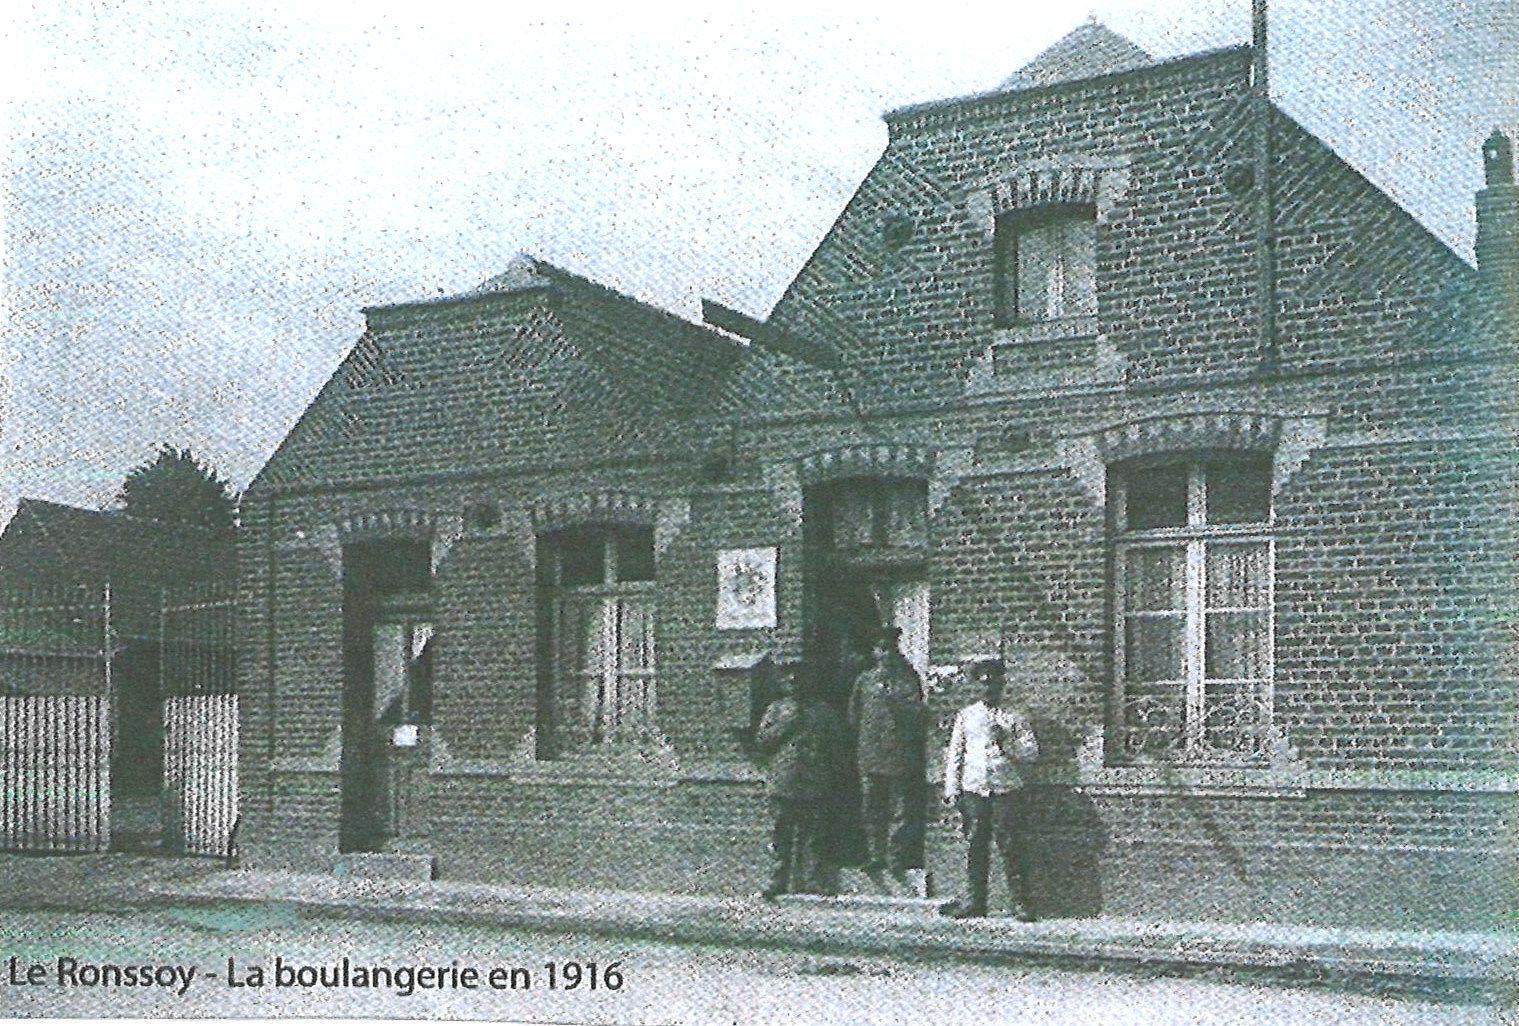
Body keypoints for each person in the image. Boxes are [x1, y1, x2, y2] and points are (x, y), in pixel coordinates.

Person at [940, 656, 1040, 921]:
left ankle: (1021, 903)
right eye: (982, 684)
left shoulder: (1015, 716)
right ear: (976, 687)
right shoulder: (967, 716)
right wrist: (952, 789)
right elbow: (955, 754)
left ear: (1001, 685)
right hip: (975, 789)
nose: (988, 689)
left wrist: (1007, 742)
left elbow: (1031, 753)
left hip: (1006, 790)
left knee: (1011, 846)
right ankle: (975, 901)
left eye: (993, 683)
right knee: (975, 845)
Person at [753, 661, 844, 899]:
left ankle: (814, 880)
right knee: (780, 834)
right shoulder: (776, 710)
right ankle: (778, 880)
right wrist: (786, 724)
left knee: (815, 835)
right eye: (790, 679)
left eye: (799, 679)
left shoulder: (823, 711)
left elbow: (837, 744)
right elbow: (762, 740)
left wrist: (828, 771)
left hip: (814, 780)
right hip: (784, 780)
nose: (794, 683)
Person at [848, 625, 928, 883]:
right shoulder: (865, 680)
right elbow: (854, 715)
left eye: (890, 649)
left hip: (899, 753)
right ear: (874, 652)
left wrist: (894, 700)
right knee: (872, 806)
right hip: (870, 752)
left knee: (899, 808)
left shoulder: (907, 678)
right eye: (880, 649)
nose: (885, 655)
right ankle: (876, 854)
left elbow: (917, 713)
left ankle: (896, 856)